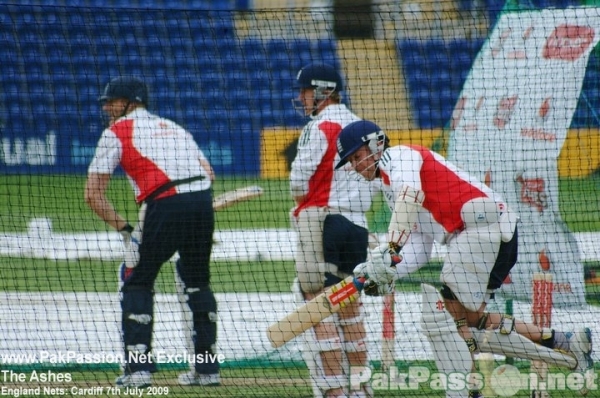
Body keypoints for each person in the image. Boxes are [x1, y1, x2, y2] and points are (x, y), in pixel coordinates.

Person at [335, 119, 594, 397]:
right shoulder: (389, 189)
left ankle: (467, 392)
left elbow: (409, 196)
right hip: (481, 236)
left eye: (357, 156)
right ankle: (566, 343)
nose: (355, 165)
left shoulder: (400, 157)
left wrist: (388, 251)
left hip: (482, 229)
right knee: (470, 321)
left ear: (376, 144)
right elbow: (421, 249)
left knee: (445, 319)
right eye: (351, 160)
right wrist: (387, 271)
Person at [85, 76, 219, 388]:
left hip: (164, 203)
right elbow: (208, 173)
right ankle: (207, 369)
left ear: (128, 102)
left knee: (136, 279)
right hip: (201, 202)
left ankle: (138, 370)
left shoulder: (116, 132)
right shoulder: (174, 128)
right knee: (196, 282)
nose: (106, 107)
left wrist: (127, 230)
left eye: (111, 101)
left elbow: (92, 195)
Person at [289, 63, 381, 398]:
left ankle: (334, 391)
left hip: (326, 223)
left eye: (305, 91)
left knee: (318, 306)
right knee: (351, 310)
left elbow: (298, 182)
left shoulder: (320, 126)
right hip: (359, 227)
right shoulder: (361, 126)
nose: (301, 98)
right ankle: (360, 389)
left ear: (322, 91)